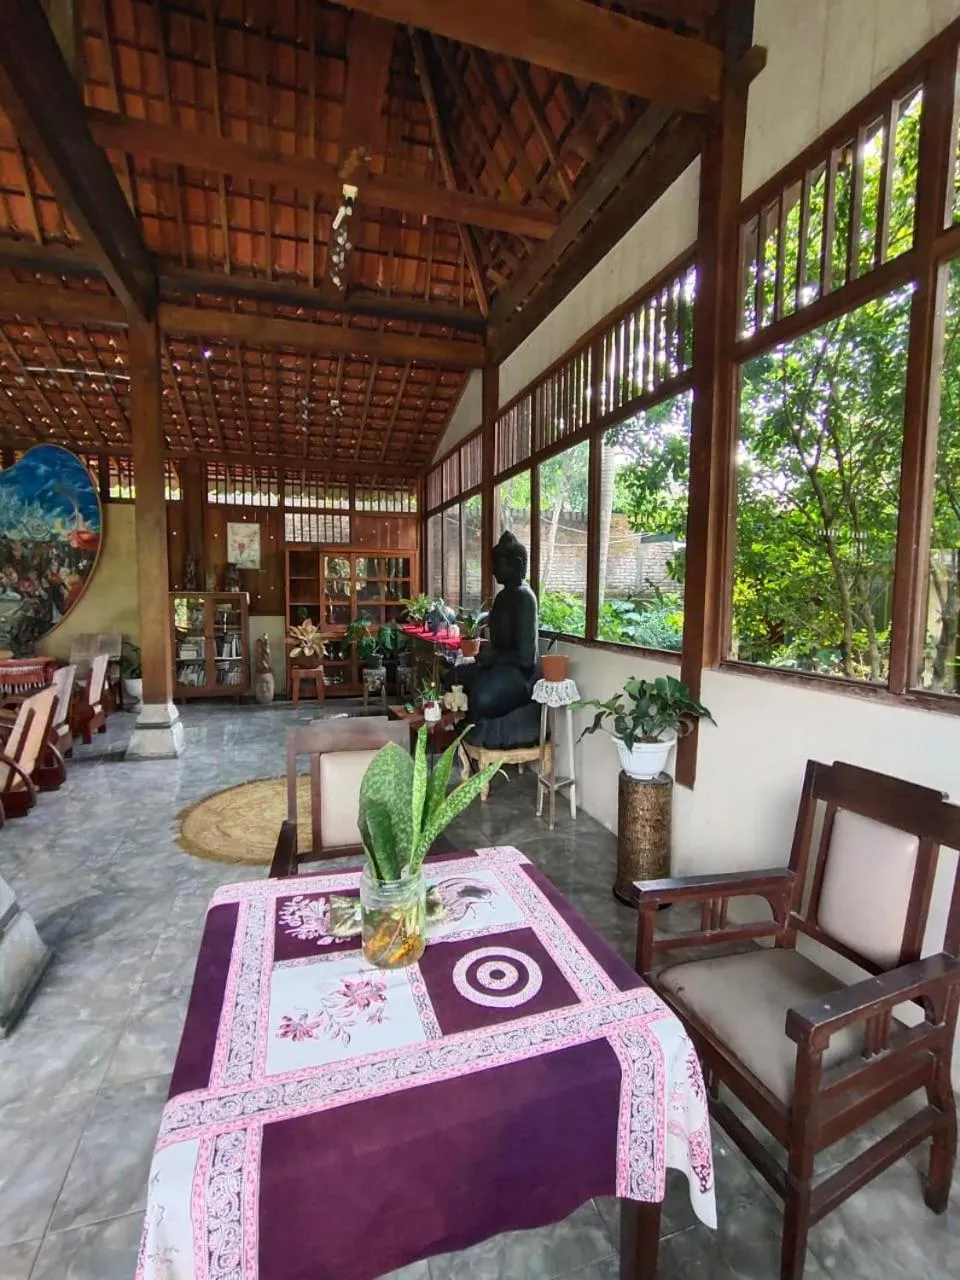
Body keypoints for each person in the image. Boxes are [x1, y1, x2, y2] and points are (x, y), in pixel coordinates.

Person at [455, 530, 539, 721]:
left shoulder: (525, 598)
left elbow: (527, 659)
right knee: (453, 677)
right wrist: (487, 656)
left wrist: (494, 658)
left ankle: (484, 731)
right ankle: (463, 727)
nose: (493, 571)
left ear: (516, 564)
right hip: (499, 666)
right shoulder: (502, 597)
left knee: (481, 697)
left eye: (497, 565)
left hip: (518, 675)